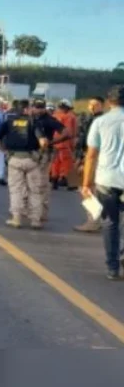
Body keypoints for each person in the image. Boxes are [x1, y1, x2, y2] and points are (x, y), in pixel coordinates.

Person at [0, 99, 63, 229]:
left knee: (16, 190)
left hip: (14, 159)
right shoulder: (33, 122)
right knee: (35, 191)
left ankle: (16, 219)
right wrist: (40, 154)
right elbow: (43, 142)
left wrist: (4, 151)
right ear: (26, 109)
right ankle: (36, 220)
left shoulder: (9, 122)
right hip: (32, 160)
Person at [81, 86, 124, 280]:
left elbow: (91, 155)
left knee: (110, 222)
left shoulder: (100, 122)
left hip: (106, 181)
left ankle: (112, 268)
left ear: (108, 101)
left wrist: (86, 183)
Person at [74, 96, 105, 233]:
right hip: (88, 156)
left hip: (95, 157)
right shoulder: (89, 119)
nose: (92, 107)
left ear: (102, 106)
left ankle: (93, 221)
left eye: (95, 104)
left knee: (87, 189)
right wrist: (79, 157)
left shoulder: (101, 121)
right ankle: (96, 219)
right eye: (90, 104)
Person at [49, 99, 78, 190]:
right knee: (68, 164)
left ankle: (54, 181)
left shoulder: (54, 116)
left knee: (55, 163)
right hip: (66, 144)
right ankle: (72, 184)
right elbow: (71, 132)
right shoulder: (70, 117)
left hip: (55, 143)